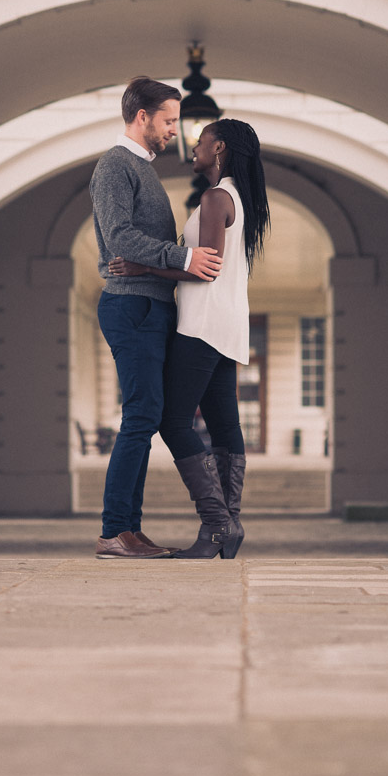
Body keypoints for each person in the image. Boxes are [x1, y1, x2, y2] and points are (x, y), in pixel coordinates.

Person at [109, 118, 270, 559]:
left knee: (172, 420)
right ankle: (228, 524)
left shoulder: (218, 197)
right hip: (229, 325)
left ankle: (218, 522)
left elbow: (206, 265)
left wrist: (144, 268)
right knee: (223, 426)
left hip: (201, 325)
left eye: (201, 142)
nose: (193, 148)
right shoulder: (239, 198)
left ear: (219, 149)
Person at [90, 77, 223, 559]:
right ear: (141, 116)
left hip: (150, 304)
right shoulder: (114, 166)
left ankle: (128, 528)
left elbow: (130, 244)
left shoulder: (141, 169)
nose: (173, 129)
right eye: (168, 120)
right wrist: (185, 258)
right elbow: (120, 237)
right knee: (141, 416)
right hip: (133, 305)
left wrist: (169, 264)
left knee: (147, 416)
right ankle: (114, 531)